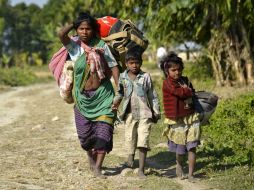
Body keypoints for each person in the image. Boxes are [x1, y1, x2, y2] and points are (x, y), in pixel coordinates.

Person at [58, 12, 119, 178]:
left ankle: (98, 167)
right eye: (81, 28)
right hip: (83, 99)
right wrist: (74, 22)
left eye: (88, 28)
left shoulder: (101, 46)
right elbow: (61, 34)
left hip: (104, 95)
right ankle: (90, 158)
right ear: (77, 30)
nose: (84, 32)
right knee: (85, 138)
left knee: (104, 131)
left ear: (94, 30)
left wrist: (119, 89)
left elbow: (113, 66)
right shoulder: (75, 48)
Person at [112, 47, 160, 178]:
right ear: (126, 64)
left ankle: (141, 169)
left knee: (143, 140)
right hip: (129, 115)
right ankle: (130, 161)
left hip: (145, 114)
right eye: (131, 63)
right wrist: (115, 103)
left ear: (141, 63)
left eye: (137, 62)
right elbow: (120, 93)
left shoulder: (145, 77)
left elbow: (152, 95)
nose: (134, 65)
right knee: (130, 138)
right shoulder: (123, 77)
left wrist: (156, 111)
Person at [160, 52, 201, 182]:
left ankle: (191, 175)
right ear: (167, 71)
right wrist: (188, 91)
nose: (177, 72)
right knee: (181, 148)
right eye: (173, 70)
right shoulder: (167, 83)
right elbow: (179, 92)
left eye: (179, 69)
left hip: (191, 117)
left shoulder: (186, 80)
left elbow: (192, 93)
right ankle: (179, 165)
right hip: (178, 120)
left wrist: (189, 91)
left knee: (192, 145)